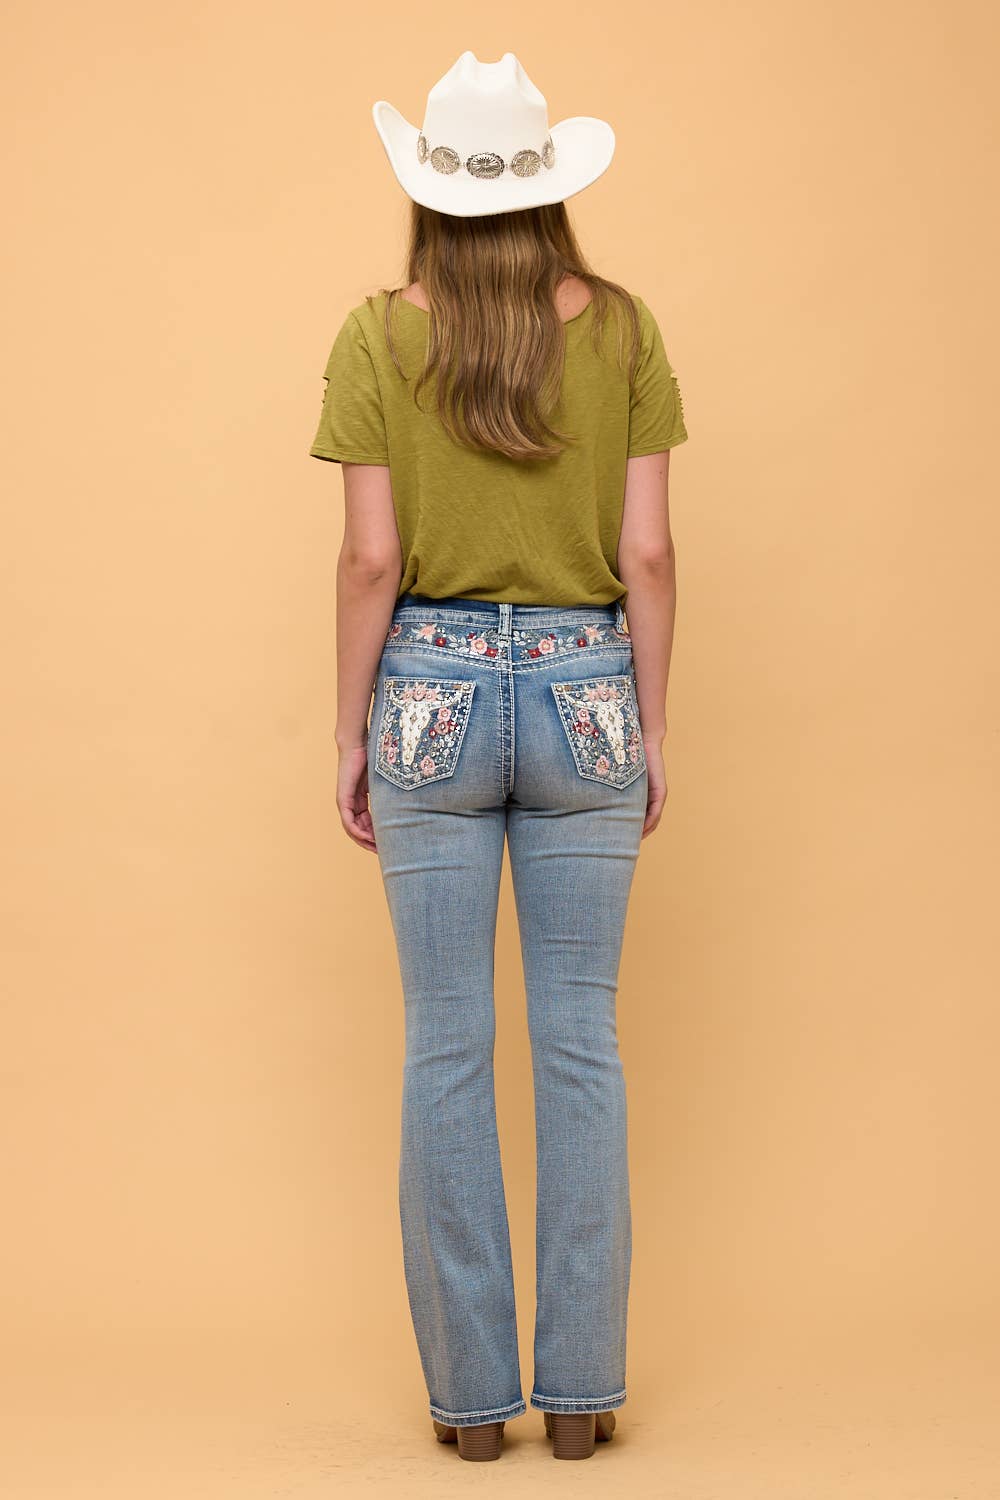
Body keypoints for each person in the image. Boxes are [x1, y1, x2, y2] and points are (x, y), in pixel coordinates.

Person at [308, 51, 688, 1463]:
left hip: (430, 694)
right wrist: (650, 723)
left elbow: (371, 561)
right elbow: (647, 550)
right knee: (582, 1046)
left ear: (430, 189)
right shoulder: (625, 330)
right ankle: (580, 1399)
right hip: (591, 686)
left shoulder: (375, 335)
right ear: (549, 190)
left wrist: (350, 727)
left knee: (445, 1046)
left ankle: (473, 1411)